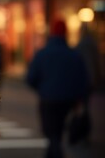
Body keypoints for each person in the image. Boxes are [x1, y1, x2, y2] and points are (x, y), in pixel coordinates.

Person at [26, 19, 89, 158]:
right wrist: (79, 99)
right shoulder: (74, 55)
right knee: (58, 130)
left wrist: (42, 88)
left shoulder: (42, 54)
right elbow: (83, 81)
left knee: (51, 132)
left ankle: (55, 152)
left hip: (48, 99)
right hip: (67, 100)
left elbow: (30, 78)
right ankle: (54, 152)